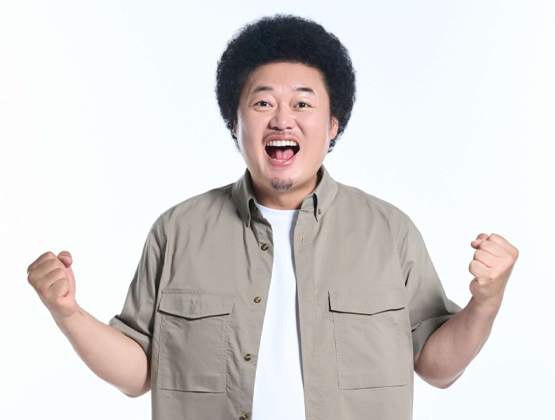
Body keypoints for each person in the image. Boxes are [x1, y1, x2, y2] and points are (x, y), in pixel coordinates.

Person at [27, 15, 518, 420]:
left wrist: (486, 302)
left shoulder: (390, 232)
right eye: (262, 103)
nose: (283, 119)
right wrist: (68, 312)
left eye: (302, 103)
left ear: (333, 124)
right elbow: (138, 372)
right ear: (234, 122)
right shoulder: (176, 231)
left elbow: (436, 367)